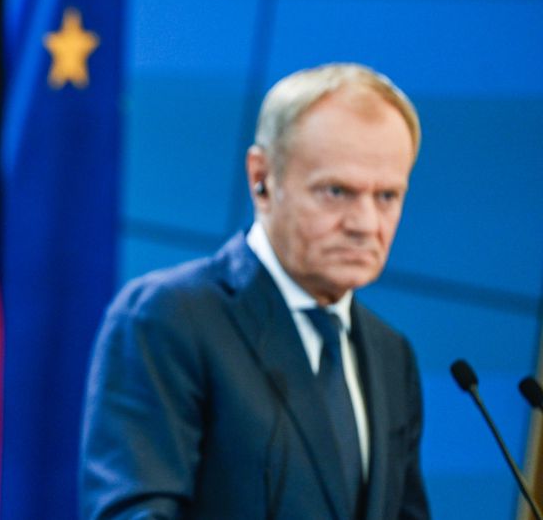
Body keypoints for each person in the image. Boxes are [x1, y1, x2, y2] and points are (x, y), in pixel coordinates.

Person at [81, 63, 430, 519]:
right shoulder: (168, 316)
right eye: (337, 191)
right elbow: (134, 512)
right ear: (262, 178)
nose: (365, 224)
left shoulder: (391, 355)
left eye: (387, 196)